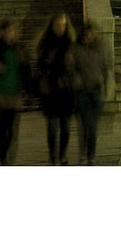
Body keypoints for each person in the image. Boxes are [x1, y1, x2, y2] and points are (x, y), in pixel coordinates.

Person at [0, 20, 31, 165]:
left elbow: (27, 71)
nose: (10, 34)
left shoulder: (20, 49)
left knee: (11, 131)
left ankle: (7, 157)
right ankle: (3, 159)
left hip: (15, 95)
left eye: (12, 31)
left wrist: (28, 91)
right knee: (0, 130)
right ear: (1, 32)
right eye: (8, 31)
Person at [36, 12, 77, 165]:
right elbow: (40, 65)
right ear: (52, 26)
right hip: (51, 90)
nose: (61, 28)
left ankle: (62, 154)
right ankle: (53, 156)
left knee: (66, 127)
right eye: (58, 25)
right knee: (52, 126)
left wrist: (71, 64)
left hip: (66, 90)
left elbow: (75, 66)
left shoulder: (71, 43)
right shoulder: (46, 44)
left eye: (63, 25)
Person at [71, 22, 112, 165]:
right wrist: (75, 77)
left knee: (92, 126)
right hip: (82, 92)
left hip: (96, 91)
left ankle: (91, 155)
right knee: (84, 125)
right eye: (86, 34)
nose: (88, 36)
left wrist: (105, 84)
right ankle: (84, 154)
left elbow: (106, 67)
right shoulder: (76, 50)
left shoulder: (100, 49)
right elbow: (70, 68)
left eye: (90, 34)